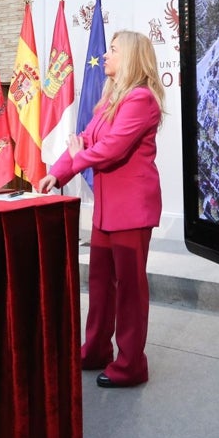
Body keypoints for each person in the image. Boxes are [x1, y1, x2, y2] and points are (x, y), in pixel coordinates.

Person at [37, 30, 165, 388]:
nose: (106, 55)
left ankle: (131, 365)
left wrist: (78, 158)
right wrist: (55, 173)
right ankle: (95, 351)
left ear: (131, 58)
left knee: (129, 289)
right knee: (100, 284)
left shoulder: (141, 99)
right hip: (108, 211)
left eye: (113, 50)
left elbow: (110, 149)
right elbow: (85, 142)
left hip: (132, 211)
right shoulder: (110, 102)